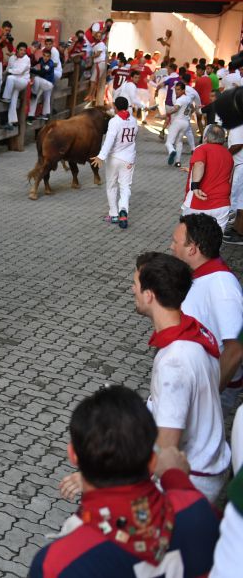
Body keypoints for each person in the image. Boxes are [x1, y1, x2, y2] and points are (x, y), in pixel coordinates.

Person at [33, 385, 219, 578]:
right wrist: (174, 475)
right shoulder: (200, 512)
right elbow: (188, 500)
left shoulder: (56, 564)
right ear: (153, 461)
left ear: (73, 455)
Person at [134, 252, 232, 501]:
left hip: (191, 479)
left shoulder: (173, 363)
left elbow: (167, 450)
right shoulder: (194, 329)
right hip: (211, 461)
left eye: (135, 284)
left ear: (149, 295)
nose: (131, 289)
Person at [171, 214, 243, 397]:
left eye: (175, 242)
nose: (171, 247)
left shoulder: (222, 287)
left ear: (192, 249)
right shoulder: (199, 275)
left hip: (206, 390)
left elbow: (235, 350)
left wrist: (207, 398)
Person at [90, 97, 138, 229]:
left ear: (115, 107)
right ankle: (123, 209)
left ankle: (114, 214)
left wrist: (101, 156)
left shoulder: (114, 121)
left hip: (114, 158)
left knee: (111, 185)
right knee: (125, 186)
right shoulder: (134, 120)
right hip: (129, 158)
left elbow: (109, 140)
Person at [182, 124, 234, 231]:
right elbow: (227, 177)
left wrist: (195, 186)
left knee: (191, 238)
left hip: (199, 203)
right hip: (222, 204)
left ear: (205, 137)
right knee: (215, 240)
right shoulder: (228, 154)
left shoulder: (202, 149)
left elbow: (200, 164)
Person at [161, 81, 196, 167]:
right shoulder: (188, 98)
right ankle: (178, 162)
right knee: (179, 142)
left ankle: (172, 151)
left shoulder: (180, 100)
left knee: (169, 143)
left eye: (179, 90)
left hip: (177, 122)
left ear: (183, 90)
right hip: (185, 123)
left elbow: (176, 109)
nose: (177, 91)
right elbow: (193, 108)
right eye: (176, 90)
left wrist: (165, 114)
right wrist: (187, 114)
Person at [0, 42, 31, 130]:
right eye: (21, 50)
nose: (22, 52)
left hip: (22, 81)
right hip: (14, 82)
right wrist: (7, 71)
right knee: (13, 101)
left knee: (10, 78)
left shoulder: (26, 59)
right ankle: (12, 121)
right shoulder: (12, 58)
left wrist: (9, 71)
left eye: (24, 50)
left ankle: (6, 97)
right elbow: (8, 68)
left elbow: (20, 71)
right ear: (17, 50)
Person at [28, 43, 56, 123]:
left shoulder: (50, 64)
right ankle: (31, 116)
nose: (46, 58)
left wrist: (31, 69)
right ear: (42, 55)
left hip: (49, 84)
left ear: (50, 57)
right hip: (42, 83)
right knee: (34, 98)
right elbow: (33, 64)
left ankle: (33, 92)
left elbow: (42, 73)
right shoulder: (41, 60)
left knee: (36, 78)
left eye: (48, 56)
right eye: (44, 55)